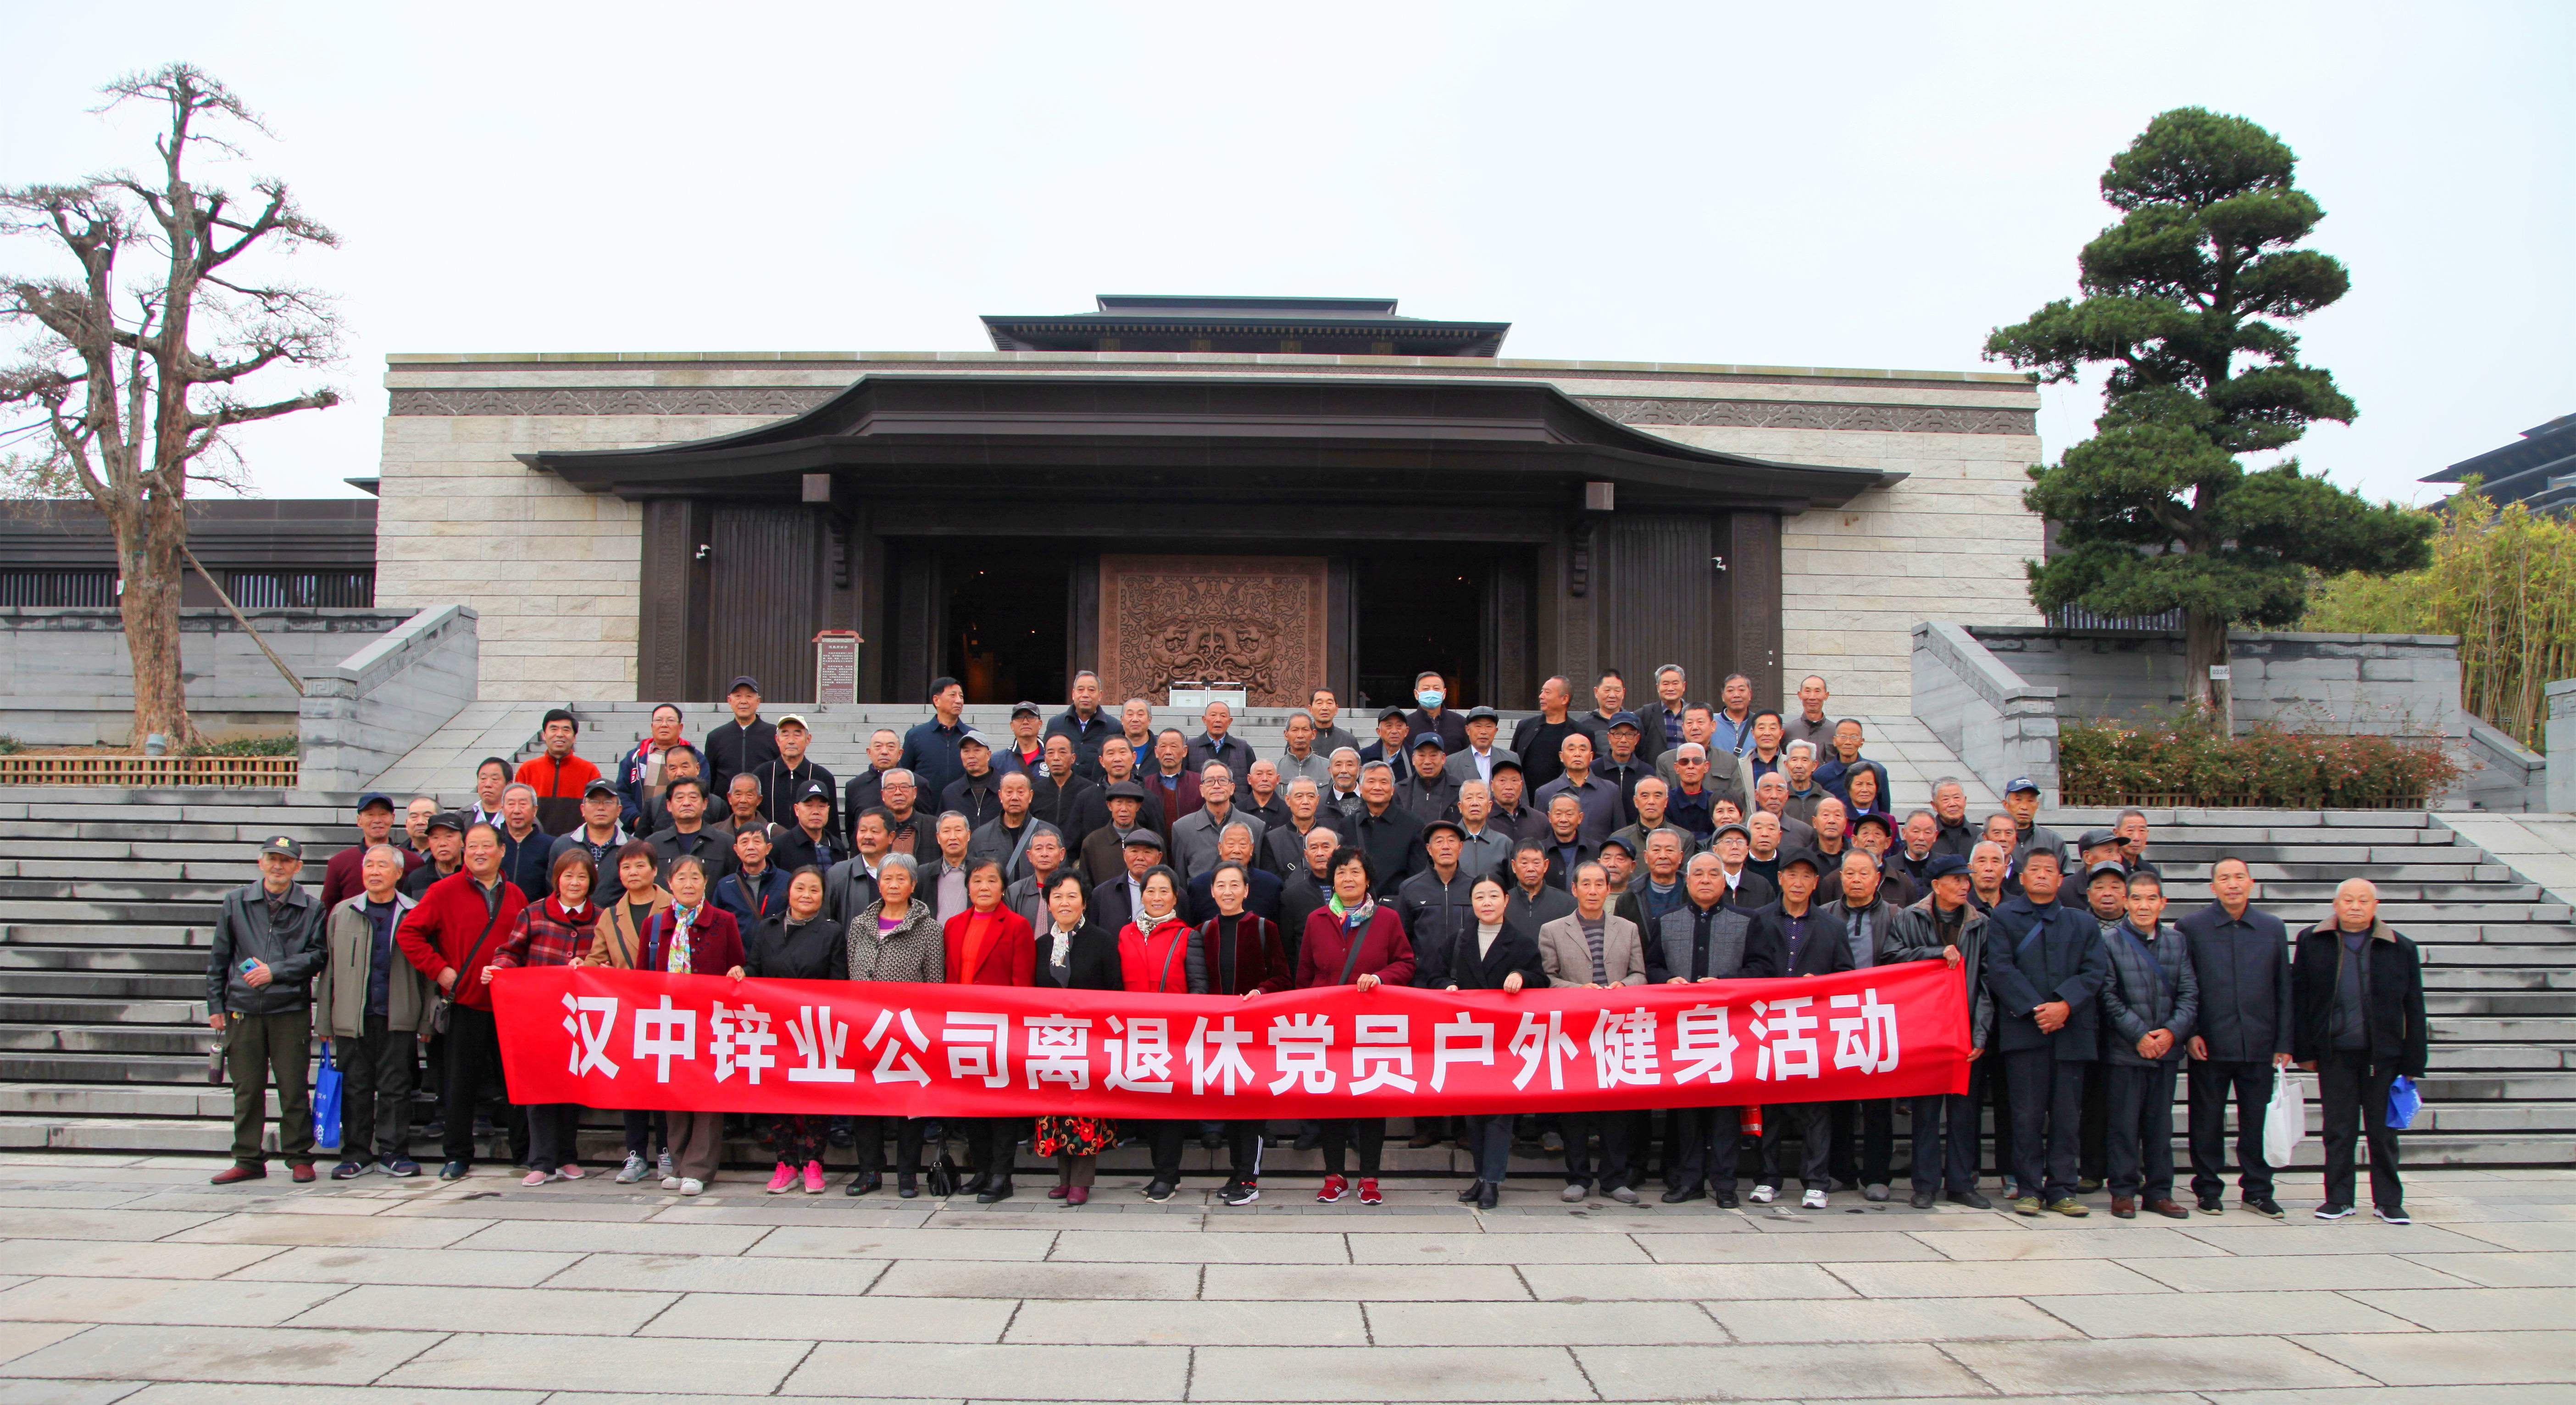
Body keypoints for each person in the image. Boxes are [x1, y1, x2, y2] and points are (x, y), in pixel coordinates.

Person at [396, 823, 531, 1182]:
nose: (479, 853)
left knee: (516, 1082)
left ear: (502, 850)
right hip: (465, 1002)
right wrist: (439, 970)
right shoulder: (444, 891)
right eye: (472, 847)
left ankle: (524, 1153)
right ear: (463, 852)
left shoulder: (516, 895)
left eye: (486, 846)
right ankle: (457, 1155)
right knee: (459, 1085)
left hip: (508, 1005)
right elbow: (409, 932)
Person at [2293, 878, 2428, 1224]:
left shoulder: (2400, 947)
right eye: (2349, 900)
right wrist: (2303, 1050)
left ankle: (2389, 1201)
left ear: (2375, 906)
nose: (2355, 906)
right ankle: (2339, 1199)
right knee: (2338, 1130)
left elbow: (2414, 1007)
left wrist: (2413, 1061)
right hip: (2335, 1053)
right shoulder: (2312, 941)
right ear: (2336, 905)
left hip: (2383, 1057)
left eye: (2364, 901)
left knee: (2383, 1133)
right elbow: (2300, 998)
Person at [1982, 848, 2108, 1217]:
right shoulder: (2004, 917)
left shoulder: (2082, 922)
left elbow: (2094, 971)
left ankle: (2063, 1189)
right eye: (2034, 869)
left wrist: (2065, 1005)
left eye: (2048, 870)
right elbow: (2000, 968)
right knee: (2026, 1116)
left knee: (2067, 1117)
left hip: (2071, 1032)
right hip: (2025, 1032)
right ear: (2021, 878)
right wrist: (2038, 1009)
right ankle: (2029, 1189)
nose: (2041, 875)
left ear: (2060, 879)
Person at [2176, 855, 2294, 1217]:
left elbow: (2284, 987)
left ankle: (2258, 1189)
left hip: (2259, 1042)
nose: (2233, 884)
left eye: (2239, 877)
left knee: (2256, 1121)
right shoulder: (2191, 927)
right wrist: (2191, 1033)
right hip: (2210, 1043)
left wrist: (2284, 1042)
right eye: (2225, 878)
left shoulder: (2272, 928)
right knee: (2206, 1120)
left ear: (2251, 883)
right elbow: (2184, 984)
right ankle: (2208, 1188)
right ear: (2213, 887)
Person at [1295, 847, 1412, 1204]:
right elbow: (1305, 977)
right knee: (1331, 1102)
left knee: (1371, 1101)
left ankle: (1370, 1177)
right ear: (1332, 880)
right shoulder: (1317, 920)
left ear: (1368, 879)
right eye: (1341, 872)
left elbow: (1407, 963)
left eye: (1355, 872)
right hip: (1328, 1026)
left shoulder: (1388, 918)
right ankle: (1334, 1176)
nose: (1348, 878)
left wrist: (1380, 977)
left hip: (1372, 1025)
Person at [206, 835, 326, 1185]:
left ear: (298, 867)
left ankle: (299, 1156)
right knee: (246, 1088)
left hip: (289, 1008)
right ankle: (247, 1157)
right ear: (260, 863)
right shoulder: (236, 902)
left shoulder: (312, 908)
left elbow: (318, 955)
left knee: (293, 1087)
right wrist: (216, 1004)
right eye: (272, 859)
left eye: (286, 860)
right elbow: (220, 956)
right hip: (242, 1009)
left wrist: (276, 971)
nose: (278, 866)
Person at [481, 847, 602, 1186]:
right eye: (568, 876)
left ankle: (567, 1157)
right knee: (539, 1088)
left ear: (591, 882)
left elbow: (606, 958)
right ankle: (541, 1161)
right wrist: (499, 969)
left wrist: (592, 966)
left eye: (582, 877)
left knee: (572, 1088)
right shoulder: (533, 913)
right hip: (538, 1015)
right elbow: (511, 952)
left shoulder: (601, 917)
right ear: (556, 879)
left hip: (580, 1018)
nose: (575, 883)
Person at [1647, 853, 1760, 1206]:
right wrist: (1667, 980)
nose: (1706, 880)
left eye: (1714, 874)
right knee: (1687, 1112)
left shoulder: (1747, 921)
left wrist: (1726, 982)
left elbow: (1760, 968)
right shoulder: (1667, 921)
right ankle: (1689, 1181)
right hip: (1682, 1032)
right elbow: (1650, 966)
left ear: (1725, 881)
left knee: (1725, 1112)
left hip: (1730, 1030)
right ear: (1687, 880)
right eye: (1699, 874)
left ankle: (1725, 1184)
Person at [1882, 853, 1993, 1209]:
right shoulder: (1910, 917)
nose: (1964, 886)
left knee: (1964, 1113)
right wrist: (1934, 953)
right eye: (1957, 880)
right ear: (1936, 885)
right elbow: (1891, 959)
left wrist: (1980, 1034)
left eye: (1966, 879)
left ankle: (1961, 1183)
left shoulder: (1980, 923)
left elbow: (1988, 983)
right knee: (1927, 1112)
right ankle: (1925, 1184)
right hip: (1925, 1031)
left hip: (1965, 1029)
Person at [1744, 850, 1854, 1209]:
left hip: (1813, 1028)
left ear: (1816, 883)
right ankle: (1768, 1178)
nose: (1798, 882)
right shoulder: (1760, 919)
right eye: (1792, 874)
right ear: (1780, 878)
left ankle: (1817, 1182)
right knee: (1771, 1107)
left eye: (1807, 876)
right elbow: (1750, 967)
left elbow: (1846, 977)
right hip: (1769, 1024)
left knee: (1816, 1109)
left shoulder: (1832, 927)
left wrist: (1819, 984)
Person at [315, 843, 428, 1180]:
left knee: (396, 1087)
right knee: (355, 1087)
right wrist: (325, 1021)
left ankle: (394, 1152)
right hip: (353, 1017)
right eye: (369, 865)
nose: (374, 872)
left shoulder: (415, 912)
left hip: (398, 1015)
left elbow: (426, 973)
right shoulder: (342, 912)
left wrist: (426, 1020)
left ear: (399, 873)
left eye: (382, 866)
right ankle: (356, 1153)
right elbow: (329, 971)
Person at [1536, 860, 1647, 1202]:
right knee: (1575, 1108)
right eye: (1586, 884)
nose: (1593, 890)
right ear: (1574, 889)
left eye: (1600, 884)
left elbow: (1640, 974)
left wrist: (1623, 986)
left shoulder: (1628, 929)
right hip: (1575, 1031)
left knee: (1616, 1108)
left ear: (1609, 889)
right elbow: (1547, 978)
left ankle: (1613, 1179)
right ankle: (1578, 1178)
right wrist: (1578, 991)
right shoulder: (1553, 930)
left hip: (1616, 1029)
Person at [1190, 859, 1294, 1204]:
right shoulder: (1203, 931)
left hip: (1255, 1035)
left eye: (1235, 885)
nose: (1228, 891)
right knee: (1231, 1108)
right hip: (1219, 1036)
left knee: (1251, 1110)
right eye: (1221, 885)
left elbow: (1284, 978)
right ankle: (1236, 1173)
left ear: (1247, 891)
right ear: (1212, 891)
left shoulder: (1264, 927)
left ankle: (1250, 1179)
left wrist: (1261, 992)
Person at [642, 855, 745, 1195]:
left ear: (706, 882)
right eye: (681, 878)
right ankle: (678, 1161)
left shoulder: (724, 921)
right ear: (669, 883)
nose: (688, 884)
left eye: (695, 878)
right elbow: (642, 976)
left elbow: (738, 965)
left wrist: (738, 973)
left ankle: (698, 1168)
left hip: (711, 1021)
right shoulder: (654, 925)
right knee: (674, 1092)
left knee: (708, 1094)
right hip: (670, 1020)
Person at [1443, 874, 1548, 1209]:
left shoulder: (1521, 942)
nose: (1486, 903)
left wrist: (1521, 976)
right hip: (1470, 1037)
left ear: (1506, 900)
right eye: (1479, 897)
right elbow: (1432, 974)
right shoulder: (1458, 940)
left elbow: (1542, 980)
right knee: (1473, 1114)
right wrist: (1447, 987)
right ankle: (1480, 1176)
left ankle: (1492, 1181)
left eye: (1493, 896)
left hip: (1506, 1039)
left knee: (1500, 1114)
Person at [843, 853, 944, 1196]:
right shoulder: (860, 925)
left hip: (908, 1029)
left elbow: (935, 983)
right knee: (864, 1102)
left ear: (913, 884)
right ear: (878, 883)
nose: (894, 885)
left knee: (909, 1106)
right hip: (865, 1027)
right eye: (888, 878)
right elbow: (851, 974)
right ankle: (870, 1171)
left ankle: (907, 1174)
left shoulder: (929, 929)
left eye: (902, 879)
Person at [2099, 869, 2197, 1220]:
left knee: (2160, 1126)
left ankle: (2159, 1192)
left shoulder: (2177, 941)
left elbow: (2189, 994)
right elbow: (2107, 997)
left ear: (2163, 903)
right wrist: (2139, 1035)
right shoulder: (2109, 942)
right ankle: (2123, 1192)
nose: (2144, 906)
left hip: (2166, 1051)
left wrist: (2171, 1033)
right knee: (2123, 1126)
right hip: (2126, 1051)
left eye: (2151, 899)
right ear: (2126, 902)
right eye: (2137, 898)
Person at [745, 867, 844, 1196]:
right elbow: (755, 968)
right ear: (788, 891)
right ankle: (786, 1162)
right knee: (778, 1093)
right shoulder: (768, 928)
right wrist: (740, 972)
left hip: (815, 1027)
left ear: (823, 896)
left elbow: (839, 982)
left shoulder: (831, 932)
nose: (806, 895)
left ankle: (814, 1162)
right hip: (774, 1024)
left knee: (817, 1094)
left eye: (814, 890)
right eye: (800, 888)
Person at [584, 840, 673, 1184]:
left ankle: (666, 1150)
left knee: (664, 1083)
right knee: (632, 1084)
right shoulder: (610, 916)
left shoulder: (674, 906)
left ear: (655, 870)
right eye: (626, 867)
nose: (633, 873)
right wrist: (590, 968)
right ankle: (636, 1154)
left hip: (666, 1009)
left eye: (640, 866)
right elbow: (596, 960)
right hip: (627, 1012)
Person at [947, 859, 1035, 1202]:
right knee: (972, 1105)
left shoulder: (1016, 926)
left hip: (1001, 1030)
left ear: (1003, 888)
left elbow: (1023, 985)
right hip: (963, 1028)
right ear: (968, 887)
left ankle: (1002, 1175)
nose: (984, 887)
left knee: (1001, 1106)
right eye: (977, 880)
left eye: (991, 881)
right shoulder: (954, 925)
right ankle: (981, 1170)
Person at [1031, 870, 1118, 1204]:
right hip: (1051, 1041)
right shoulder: (1041, 945)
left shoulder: (1102, 940)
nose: (1064, 903)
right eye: (1057, 896)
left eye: (1071, 896)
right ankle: (1064, 1179)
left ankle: (1082, 1181)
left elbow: (1115, 991)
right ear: (1048, 904)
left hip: (1090, 1041)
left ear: (1084, 902)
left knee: (1084, 1111)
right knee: (1055, 1109)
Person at [1115, 864, 1198, 1201]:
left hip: (1174, 1037)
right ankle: (1163, 1174)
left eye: (1165, 891)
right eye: (1151, 891)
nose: (1157, 897)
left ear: (1175, 897)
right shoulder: (1126, 934)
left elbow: (1199, 990)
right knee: (1147, 1108)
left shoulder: (1187, 936)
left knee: (1170, 1109)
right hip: (1135, 1035)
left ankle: (1166, 1174)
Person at [1829, 849, 1904, 1201]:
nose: (1856, 880)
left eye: (1864, 873)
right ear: (1840, 877)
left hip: (1879, 1016)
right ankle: (1840, 1171)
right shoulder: (1826, 914)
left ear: (1878, 878)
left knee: (1877, 1105)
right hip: (1835, 1018)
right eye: (1850, 873)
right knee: (1837, 1102)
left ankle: (1877, 1175)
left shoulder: (1896, 915)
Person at [324, 792, 425, 910]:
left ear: (393, 818)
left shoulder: (412, 862)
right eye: (370, 815)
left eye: (383, 814)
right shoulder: (339, 863)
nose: (377, 820)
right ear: (359, 820)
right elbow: (328, 909)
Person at [1171, 762, 1265, 882]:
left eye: (1222, 781)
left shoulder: (1255, 826)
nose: (1216, 786)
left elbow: (1258, 874)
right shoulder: (1182, 828)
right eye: (1210, 781)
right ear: (1202, 790)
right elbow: (1181, 880)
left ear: (1232, 788)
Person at [514, 708, 600, 835]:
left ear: (574, 737)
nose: (560, 734)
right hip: (535, 841)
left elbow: (596, 810)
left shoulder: (589, 771)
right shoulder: (527, 770)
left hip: (575, 843)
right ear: (544, 735)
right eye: (554, 729)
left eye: (566, 730)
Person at [1349, 761, 1425, 896]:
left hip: (1398, 904)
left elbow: (1418, 876)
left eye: (1384, 782)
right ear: (1360, 788)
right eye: (1371, 782)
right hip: (1356, 904)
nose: (1377, 787)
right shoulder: (1348, 824)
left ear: (1392, 790)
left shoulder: (1413, 825)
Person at [748, 713, 834, 831]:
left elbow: (832, 826)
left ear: (808, 739)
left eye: (797, 735)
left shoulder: (823, 777)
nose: (791, 741)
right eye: (785, 735)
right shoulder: (762, 775)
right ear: (777, 740)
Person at [614, 703, 691, 835]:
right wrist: (637, 821)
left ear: (680, 728)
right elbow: (622, 793)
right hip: (640, 831)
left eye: (670, 720)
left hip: (682, 831)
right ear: (652, 726)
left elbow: (702, 792)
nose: (664, 725)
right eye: (659, 720)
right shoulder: (635, 758)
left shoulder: (694, 758)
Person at [1184, 822, 1281, 925]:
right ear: (1220, 848)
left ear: (1251, 849)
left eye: (1243, 844)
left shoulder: (1271, 885)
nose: (1237, 850)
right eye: (1231, 844)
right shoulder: (1200, 886)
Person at [703, 676, 780, 804]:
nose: (743, 701)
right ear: (730, 701)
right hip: (726, 810)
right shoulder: (716, 737)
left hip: (765, 807)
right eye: (738, 696)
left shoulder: (774, 735)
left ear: (758, 701)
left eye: (749, 696)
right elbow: (710, 778)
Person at [1535, 731, 1619, 844]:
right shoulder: (1545, 793)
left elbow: (1619, 834)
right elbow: (1540, 837)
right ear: (1561, 756)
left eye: (1583, 750)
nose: (1577, 754)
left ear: (1591, 757)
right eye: (1571, 750)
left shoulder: (1611, 791)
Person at [549, 778, 631, 893]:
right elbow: (552, 887)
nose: (601, 808)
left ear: (619, 810)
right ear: (583, 809)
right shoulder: (563, 845)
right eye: (594, 802)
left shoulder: (632, 847)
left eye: (608, 802)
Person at [1030, 734, 1109, 853]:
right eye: (1051, 753)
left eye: (1062, 753)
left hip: (1078, 858)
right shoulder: (1035, 792)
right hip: (1043, 855)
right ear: (1045, 759)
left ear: (1073, 758)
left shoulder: (1090, 790)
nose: (1056, 758)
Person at [899, 675, 972, 801]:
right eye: (953, 695)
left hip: (962, 806)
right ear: (936, 700)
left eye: (961, 696)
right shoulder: (916, 736)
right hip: (924, 807)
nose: (959, 701)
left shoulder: (971, 736)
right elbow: (904, 774)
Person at [1510, 675, 1582, 792]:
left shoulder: (1580, 733)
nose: (1541, 696)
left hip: (1565, 798)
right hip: (1527, 799)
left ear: (1564, 699)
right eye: (1542, 691)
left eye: (1547, 692)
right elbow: (1512, 762)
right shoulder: (1525, 727)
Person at [711, 822, 790, 928]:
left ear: (768, 848)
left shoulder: (786, 882)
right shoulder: (725, 886)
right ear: (736, 849)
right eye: (744, 842)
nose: (751, 847)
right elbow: (717, 926)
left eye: (757, 842)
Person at [967, 771, 1043, 880]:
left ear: (1030, 796)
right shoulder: (980, 837)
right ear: (1000, 796)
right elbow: (973, 880)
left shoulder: (1047, 834)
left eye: (1021, 792)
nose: (1015, 797)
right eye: (1009, 792)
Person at [825, 808, 894, 925]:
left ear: (891, 837)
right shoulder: (837, 875)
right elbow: (827, 923)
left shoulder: (903, 874)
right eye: (863, 830)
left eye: (875, 831)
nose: (867, 836)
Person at [1092, 828, 1166, 935]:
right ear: (1125, 855)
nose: (1140, 858)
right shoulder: (1102, 894)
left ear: (1159, 858)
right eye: (1134, 851)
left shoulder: (1173, 895)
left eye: (1147, 852)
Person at [1004, 824, 1076, 932]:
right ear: (1030, 856)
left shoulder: (1074, 890)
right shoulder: (1015, 892)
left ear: (1062, 854)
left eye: (1050, 848)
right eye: (1039, 849)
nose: (1044, 854)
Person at [1083, 781, 1154, 889]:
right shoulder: (1093, 842)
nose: (1124, 809)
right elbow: (1085, 885)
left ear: (1138, 807)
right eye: (1119, 803)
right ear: (1109, 805)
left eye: (1130, 803)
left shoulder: (1152, 841)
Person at [1044, 671, 1117, 772]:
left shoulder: (1114, 727)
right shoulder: (1055, 724)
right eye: (1081, 690)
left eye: (1091, 690)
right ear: (1073, 694)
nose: (1085, 695)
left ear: (1100, 695)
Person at [771, 780, 844, 875]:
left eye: (822, 806)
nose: (816, 812)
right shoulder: (778, 847)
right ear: (797, 810)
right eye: (809, 806)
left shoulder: (838, 847)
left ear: (828, 810)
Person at [842, 728, 904, 838]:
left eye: (891, 747)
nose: (884, 752)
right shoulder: (855, 786)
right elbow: (851, 829)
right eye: (878, 747)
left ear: (900, 754)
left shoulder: (916, 784)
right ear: (869, 752)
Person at [1506, 838, 1577, 931]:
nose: (1531, 869)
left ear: (1546, 865)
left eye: (1536, 863)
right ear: (1514, 866)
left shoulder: (1567, 904)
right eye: (1524, 863)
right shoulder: (1503, 903)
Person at [1450, 779, 1514, 882]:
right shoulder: (1449, 843)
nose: (1475, 803)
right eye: (1469, 798)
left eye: (1480, 798)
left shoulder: (1504, 843)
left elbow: (1511, 885)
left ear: (1489, 806)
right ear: (1460, 807)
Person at [637, 744, 707, 836]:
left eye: (685, 767)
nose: (679, 773)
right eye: (673, 768)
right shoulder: (653, 805)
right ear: (667, 772)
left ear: (697, 769)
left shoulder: (716, 805)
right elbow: (642, 842)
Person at [941, 731, 1006, 828]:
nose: (971, 756)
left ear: (988, 755)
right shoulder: (951, 793)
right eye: (966, 751)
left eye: (977, 750)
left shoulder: (1006, 789)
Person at [1707, 823, 1776, 911]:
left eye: (1740, 842)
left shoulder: (1762, 885)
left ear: (1747, 850)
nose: (1735, 847)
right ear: (1715, 850)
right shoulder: (1707, 883)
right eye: (1728, 842)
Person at [2000, 777, 2065, 870]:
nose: (2024, 807)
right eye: (2018, 800)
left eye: (2031, 801)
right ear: (2006, 804)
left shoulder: (2053, 841)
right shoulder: (1991, 838)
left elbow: (2066, 874)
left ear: (2037, 805)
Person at [1445, 706, 1516, 788]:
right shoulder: (1451, 763)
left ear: (1496, 731)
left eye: (1489, 727)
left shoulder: (1511, 759)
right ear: (1468, 730)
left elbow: (1521, 793)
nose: (1483, 732)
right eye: (1478, 726)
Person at [1395, 734, 1461, 822]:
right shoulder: (1399, 791)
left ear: (1443, 759)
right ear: (1414, 759)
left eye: (1433, 755)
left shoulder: (1459, 791)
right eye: (1422, 755)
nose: (1427, 762)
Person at [1637, 663, 1695, 763]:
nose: (1671, 688)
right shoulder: (1645, 714)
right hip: (1656, 771)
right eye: (1666, 684)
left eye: (1675, 683)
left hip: (1688, 769)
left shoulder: (1693, 714)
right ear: (1658, 687)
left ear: (1684, 686)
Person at [1187, 699, 1257, 777]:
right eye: (1213, 715)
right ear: (1204, 720)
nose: (1218, 720)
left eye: (1223, 716)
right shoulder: (1190, 747)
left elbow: (1254, 779)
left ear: (1230, 722)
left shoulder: (1243, 748)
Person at [1727, 710, 1787, 799]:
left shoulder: (1790, 765)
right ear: (1753, 733)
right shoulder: (1739, 766)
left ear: (1781, 734)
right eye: (1762, 728)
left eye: (1773, 728)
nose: (1767, 733)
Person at [1275, 709, 1333, 789]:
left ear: (1313, 734)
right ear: (1286, 735)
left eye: (1305, 730)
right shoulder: (1275, 769)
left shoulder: (1328, 768)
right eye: (1295, 730)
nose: (1300, 735)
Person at [1782, 674, 1840, 750]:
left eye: (1817, 691)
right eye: (1808, 691)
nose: (1812, 697)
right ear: (1800, 695)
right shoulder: (1787, 731)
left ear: (1826, 695)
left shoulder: (1836, 732)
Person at [1709, 673, 1757, 758]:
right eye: (1730, 691)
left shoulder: (1759, 723)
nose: (1736, 695)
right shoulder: (1711, 724)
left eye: (1742, 690)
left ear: (1750, 694)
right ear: (1723, 696)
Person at [1928, 780, 1979, 859]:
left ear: (1965, 801)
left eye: (1957, 798)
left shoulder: (1980, 836)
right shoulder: (1926, 836)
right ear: (1934, 805)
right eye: (1946, 799)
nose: (1952, 804)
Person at [1306, 686, 1362, 758]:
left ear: (1336, 709)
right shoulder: (1304, 739)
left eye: (1329, 703)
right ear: (1310, 709)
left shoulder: (1349, 740)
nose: (1325, 708)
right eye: (1319, 703)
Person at [466, 756, 511, 830]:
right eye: (483, 779)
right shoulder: (464, 815)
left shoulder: (518, 815)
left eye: (495, 779)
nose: (488, 785)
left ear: (509, 785)